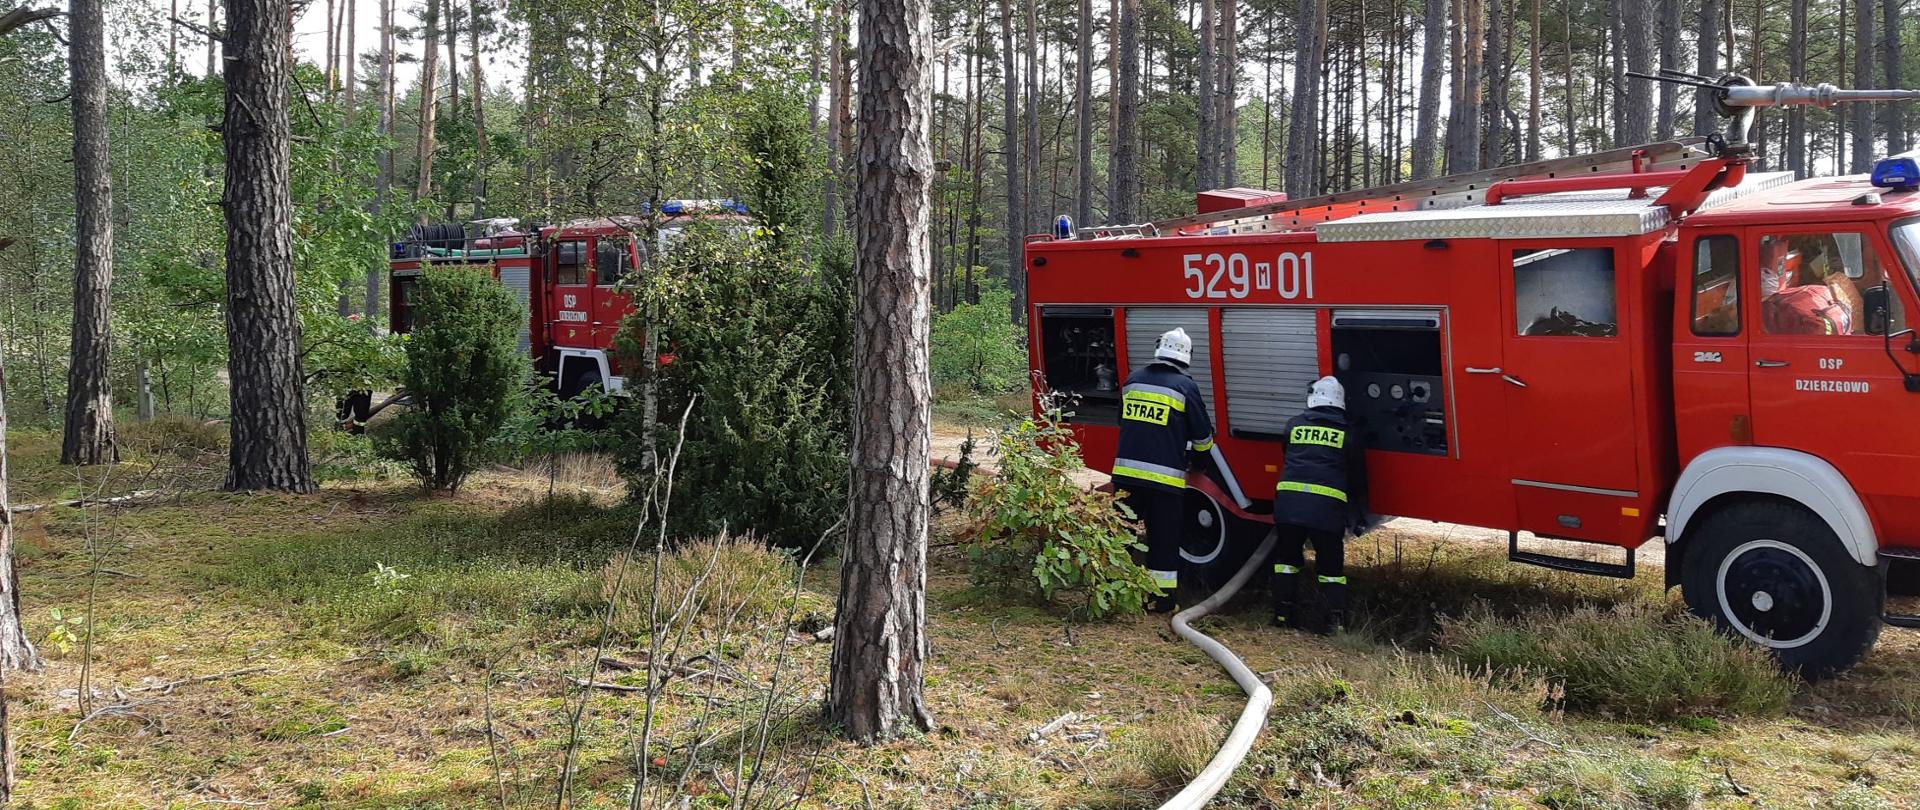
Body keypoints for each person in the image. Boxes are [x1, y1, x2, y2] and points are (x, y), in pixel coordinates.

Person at [1112, 327, 1215, 613]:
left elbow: (1123, 420)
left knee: (1121, 535)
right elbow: (1203, 436)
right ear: (1186, 356)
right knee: (1163, 540)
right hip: (1164, 481)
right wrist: (1201, 462)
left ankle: (1110, 592)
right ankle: (1161, 600)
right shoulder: (1185, 387)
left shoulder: (1132, 381)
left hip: (1125, 476)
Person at [1270, 376, 1370, 633]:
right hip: (1326, 512)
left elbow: (1286, 453)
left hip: (1288, 507)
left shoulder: (1293, 426)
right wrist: (1358, 513)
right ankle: (1335, 623)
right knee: (1331, 568)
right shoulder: (1348, 434)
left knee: (1286, 561)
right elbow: (1357, 478)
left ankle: (1282, 616)